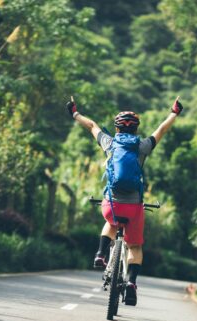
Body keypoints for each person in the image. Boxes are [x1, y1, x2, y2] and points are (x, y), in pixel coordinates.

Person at [66, 96, 183, 306]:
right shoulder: (143, 146)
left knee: (110, 222)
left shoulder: (109, 143)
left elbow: (91, 125)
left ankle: (101, 253)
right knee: (135, 246)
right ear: (136, 129)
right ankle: (131, 283)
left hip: (112, 203)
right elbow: (162, 129)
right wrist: (174, 112)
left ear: (117, 129)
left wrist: (74, 112)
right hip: (134, 206)